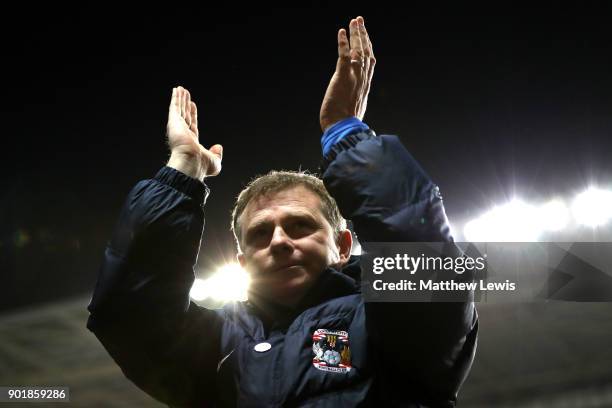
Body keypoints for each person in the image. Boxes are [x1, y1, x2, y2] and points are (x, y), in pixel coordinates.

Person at [87, 16, 478, 407]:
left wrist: (345, 131)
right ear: (242, 263)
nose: (278, 241)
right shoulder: (219, 346)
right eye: (260, 233)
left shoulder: (383, 319)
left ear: (343, 246)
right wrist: (183, 169)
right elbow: (128, 314)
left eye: (299, 226)